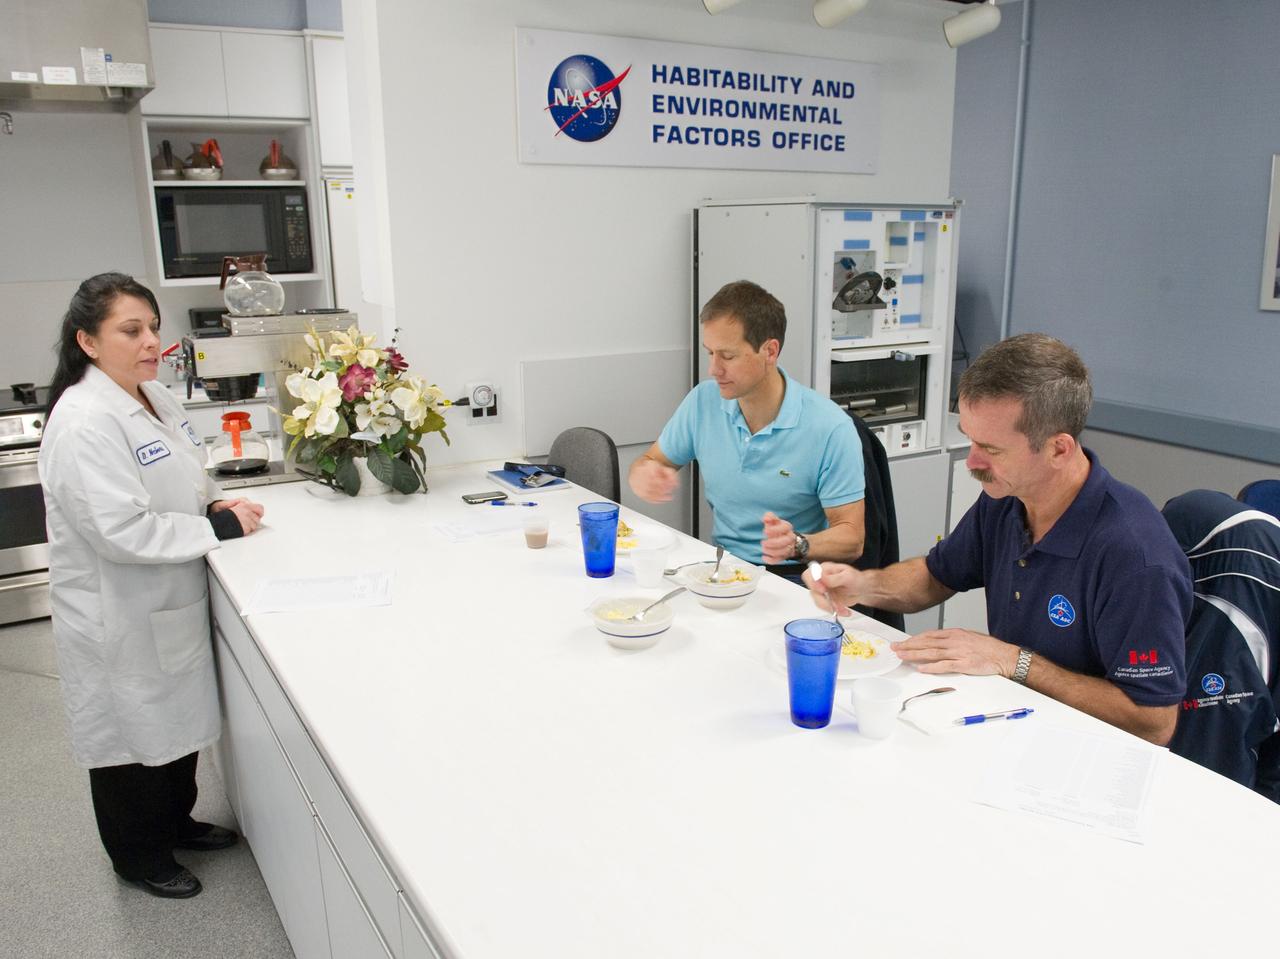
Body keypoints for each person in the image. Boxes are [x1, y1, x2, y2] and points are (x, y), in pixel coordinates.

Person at [804, 333, 1192, 745]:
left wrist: (1014, 661)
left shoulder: (1135, 556)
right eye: (970, 438)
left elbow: (1153, 723)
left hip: (1086, 753)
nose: (972, 461)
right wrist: (865, 585)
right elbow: (937, 575)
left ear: (1059, 449)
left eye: (990, 448)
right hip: (1016, 724)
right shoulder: (1008, 499)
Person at [38, 273, 265, 898]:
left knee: (175, 725)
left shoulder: (153, 397)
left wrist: (217, 500)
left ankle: (175, 822)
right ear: (87, 340)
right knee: (130, 737)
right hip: (118, 609)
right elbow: (119, 531)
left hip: (168, 596)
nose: (150, 342)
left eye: (153, 328)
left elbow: (188, 472)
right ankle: (137, 856)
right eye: (131, 330)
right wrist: (216, 528)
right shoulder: (84, 421)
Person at [629, 280, 865, 574]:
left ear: (769, 351)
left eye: (727, 356)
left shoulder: (830, 428)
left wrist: (798, 544)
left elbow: (853, 538)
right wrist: (644, 474)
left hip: (794, 577)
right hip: (724, 568)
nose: (714, 369)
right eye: (710, 353)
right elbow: (651, 461)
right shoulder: (703, 401)